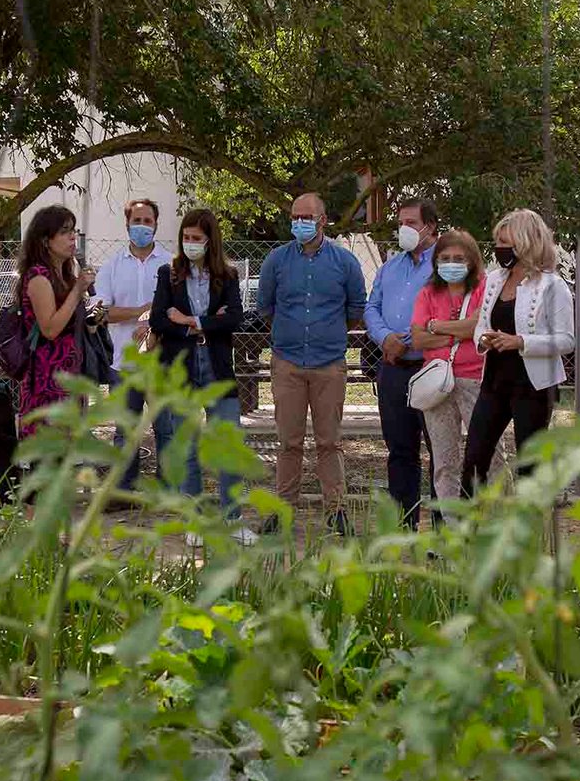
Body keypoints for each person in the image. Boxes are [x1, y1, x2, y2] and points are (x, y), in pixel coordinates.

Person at [257, 193, 367, 536]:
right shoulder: (276, 261)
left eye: (307, 216)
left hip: (329, 365)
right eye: (295, 216)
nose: (300, 222)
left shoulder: (345, 263)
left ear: (323, 219)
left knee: (329, 442)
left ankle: (336, 511)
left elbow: (355, 310)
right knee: (288, 441)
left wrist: (326, 335)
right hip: (287, 363)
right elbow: (266, 307)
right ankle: (282, 510)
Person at [148, 209, 260, 546]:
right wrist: (208, 318)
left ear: (210, 240)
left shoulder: (227, 275)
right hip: (181, 367)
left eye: (197, 238)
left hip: (216, 366)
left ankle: (233, 519)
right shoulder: (168, 274)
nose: (190, 243)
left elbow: (236, 319)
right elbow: (158, 320)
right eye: (186, 237)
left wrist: (191, 320)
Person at [462, 208, 575, 495]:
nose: (500, 249)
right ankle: (466, 531)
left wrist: (521, 341)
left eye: (506, 244)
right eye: (498, 243)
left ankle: (530, 533)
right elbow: (482, 322)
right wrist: (483, 340)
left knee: (529, 466)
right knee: (474, 457)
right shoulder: (494, 279)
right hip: (494, 382)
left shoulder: (552, 285)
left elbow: (566, 340)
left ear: (527, 244)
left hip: (533, 386)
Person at [365, 198, 438, 526]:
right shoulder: (390, 267)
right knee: (399, 452)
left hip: (430, 369)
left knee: (441, 453)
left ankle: (442, 529)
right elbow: (371, 307)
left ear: (430, 226)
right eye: (400, 223)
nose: (403, 230)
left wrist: (404, 340)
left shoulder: (446, 265)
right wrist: (385, 339)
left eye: (411, 223)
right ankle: (404, 525)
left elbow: (445, 313)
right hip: (393, 371)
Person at [95, 198, 173, 501]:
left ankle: (167, 491)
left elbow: (178, 308)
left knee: (166, 427)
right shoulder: (112, 266)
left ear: (156, 224)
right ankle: (123, 491)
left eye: (148, 220)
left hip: (161, 361)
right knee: (125, 430)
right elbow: (102, 312)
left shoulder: (170, 263)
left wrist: (155, 320)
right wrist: (140, 311)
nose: (142, 226)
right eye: (136, 220)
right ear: (127, 224)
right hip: (124, 361)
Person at [410, 228, 488, 505]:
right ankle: (453, 532)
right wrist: (461, 332)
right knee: (444, 461)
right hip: (437, 384)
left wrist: (436, 327)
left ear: (472, 261)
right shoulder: (428, 293)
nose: (451, 264)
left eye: (459, 258)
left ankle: (494, 526)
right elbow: (418, 338)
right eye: (445, 258)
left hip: (477, 380)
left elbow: (479, 327)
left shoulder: (485, 288)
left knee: (490, 457)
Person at [15, 205, 91, 438]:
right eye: (65, 232)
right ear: (46, 240)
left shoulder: (65, 276)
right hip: (46, 381)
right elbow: (49, 328)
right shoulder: (39, 276)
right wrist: (77, 291)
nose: (72, 237)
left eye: (74, 231)